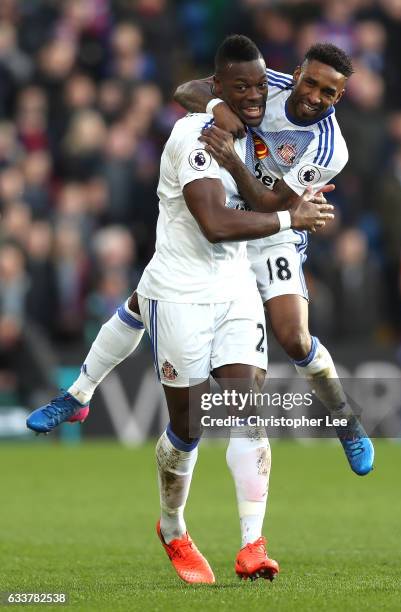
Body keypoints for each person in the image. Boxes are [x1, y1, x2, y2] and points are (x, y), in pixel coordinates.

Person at [27, 36, 332, 583]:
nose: (255, 96)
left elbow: (262, 202)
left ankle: (252, 545)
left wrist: (282, 202)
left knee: (247, 411)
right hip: (181, 292)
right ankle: (172, 527)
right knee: (186, 428)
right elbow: (216, 225)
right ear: (217, 91)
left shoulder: (254, 137)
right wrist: (291, 221)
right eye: (240, 88)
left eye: (261, 85)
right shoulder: (193, 136)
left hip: (236, 290)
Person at [174, 40, 374, 476]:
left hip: (276, 231)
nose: (314, 97)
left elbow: (270, 205)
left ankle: (345, 418)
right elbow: (185, 89)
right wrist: (216, 106)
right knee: (168, 292)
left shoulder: (328, 148)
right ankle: (83, 392)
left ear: (340, 97)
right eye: (312, 82)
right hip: (226, 223)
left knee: (294, 337)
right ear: (298, 72)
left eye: (329, 93)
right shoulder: (270, 84)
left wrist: (231, 156)